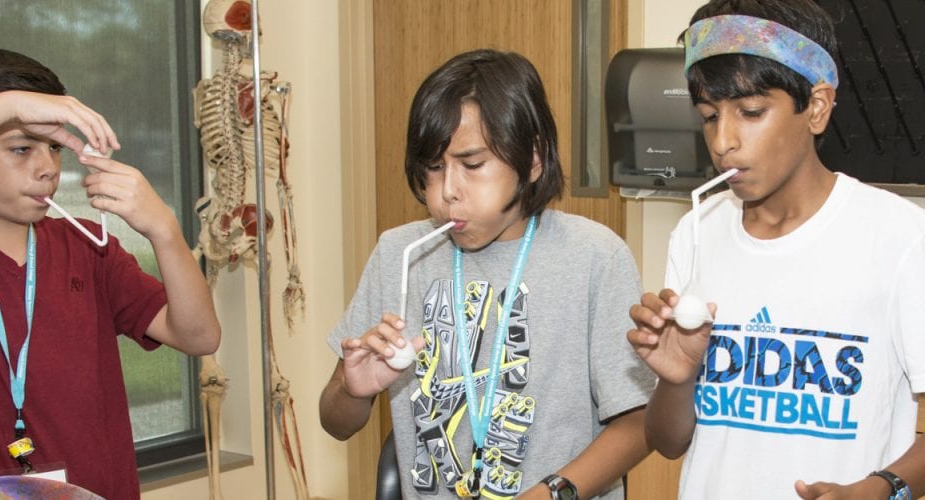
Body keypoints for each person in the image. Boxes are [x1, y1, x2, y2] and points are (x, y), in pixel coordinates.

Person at [319, 48, 654, 499]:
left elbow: (638, 422)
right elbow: (335, 422)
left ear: (532, 158)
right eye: (433, 169)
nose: (447, 193)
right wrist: (352, 390)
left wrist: (552, 492)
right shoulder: (399, 254)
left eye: (472, 165)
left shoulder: (596, 256)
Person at [627, 1, 925, 499]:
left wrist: (880, 488)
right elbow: (668, 442)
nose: (723, 141)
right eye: (708, 117)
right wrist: (677, 380)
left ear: (816, 107)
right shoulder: (696, 231)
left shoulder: (900, 237)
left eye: (751, 112)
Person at [0, 47, 221, 498]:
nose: (47, 168)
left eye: (55, 148)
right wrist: (7, 106)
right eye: (21, 148)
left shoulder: (85, 246)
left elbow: (200, 337)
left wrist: (164, 231)